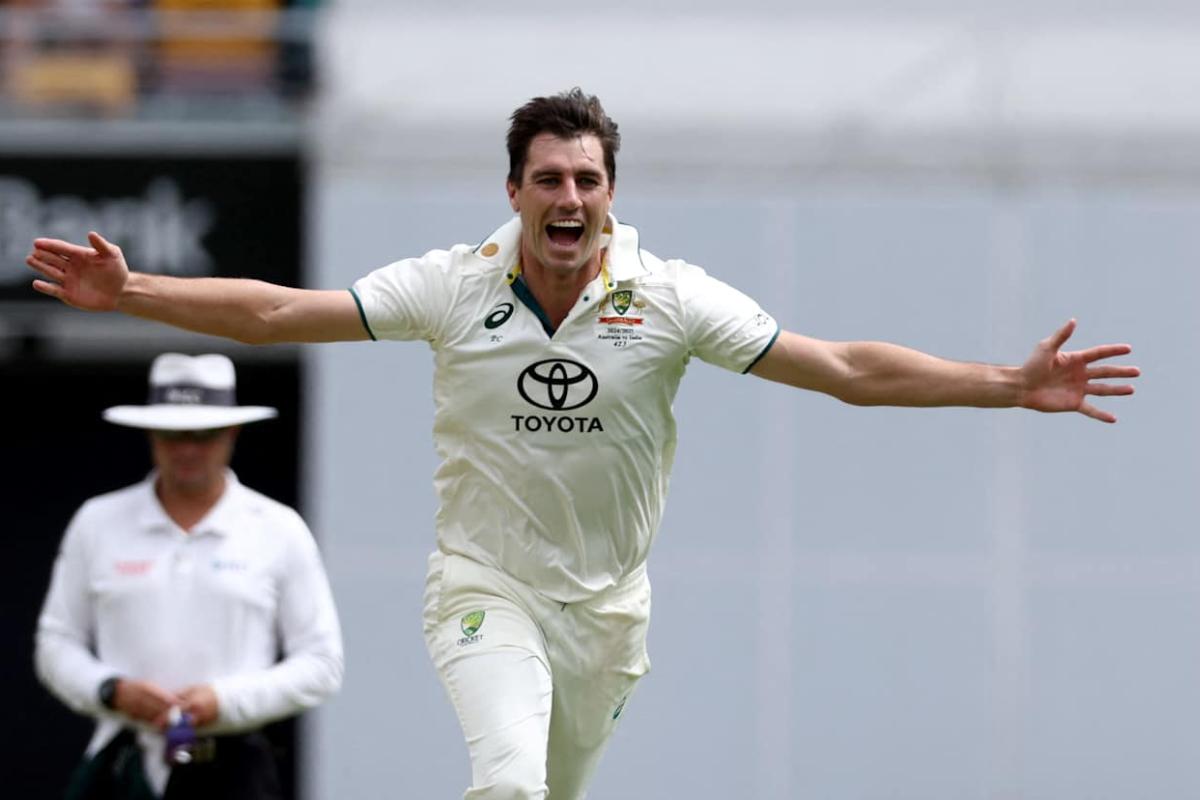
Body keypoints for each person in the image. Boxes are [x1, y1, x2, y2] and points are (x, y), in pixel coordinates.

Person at [26, 88, 1137, 800]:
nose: (569, 197)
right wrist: (135, 293)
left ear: (611, 197)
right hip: (483, 586)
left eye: (588, 181)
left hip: (607, 610)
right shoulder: (451, 285)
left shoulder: (668, 297)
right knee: (504, 784)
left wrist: (1005, 382)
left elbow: (841, 369)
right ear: (513, 192)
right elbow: (276, 313)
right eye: (548, 179)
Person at [34, 352, 344, 800]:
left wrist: (224, 702)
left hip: (234, 766)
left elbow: (322, 664)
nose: (188, 450)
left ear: (232, 432)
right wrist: (112, 691)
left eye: (205, 435)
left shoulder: (276, 527)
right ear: (151, 433)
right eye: (173, 434)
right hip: (124, 760)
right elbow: (55, 642)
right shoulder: (98, 521)